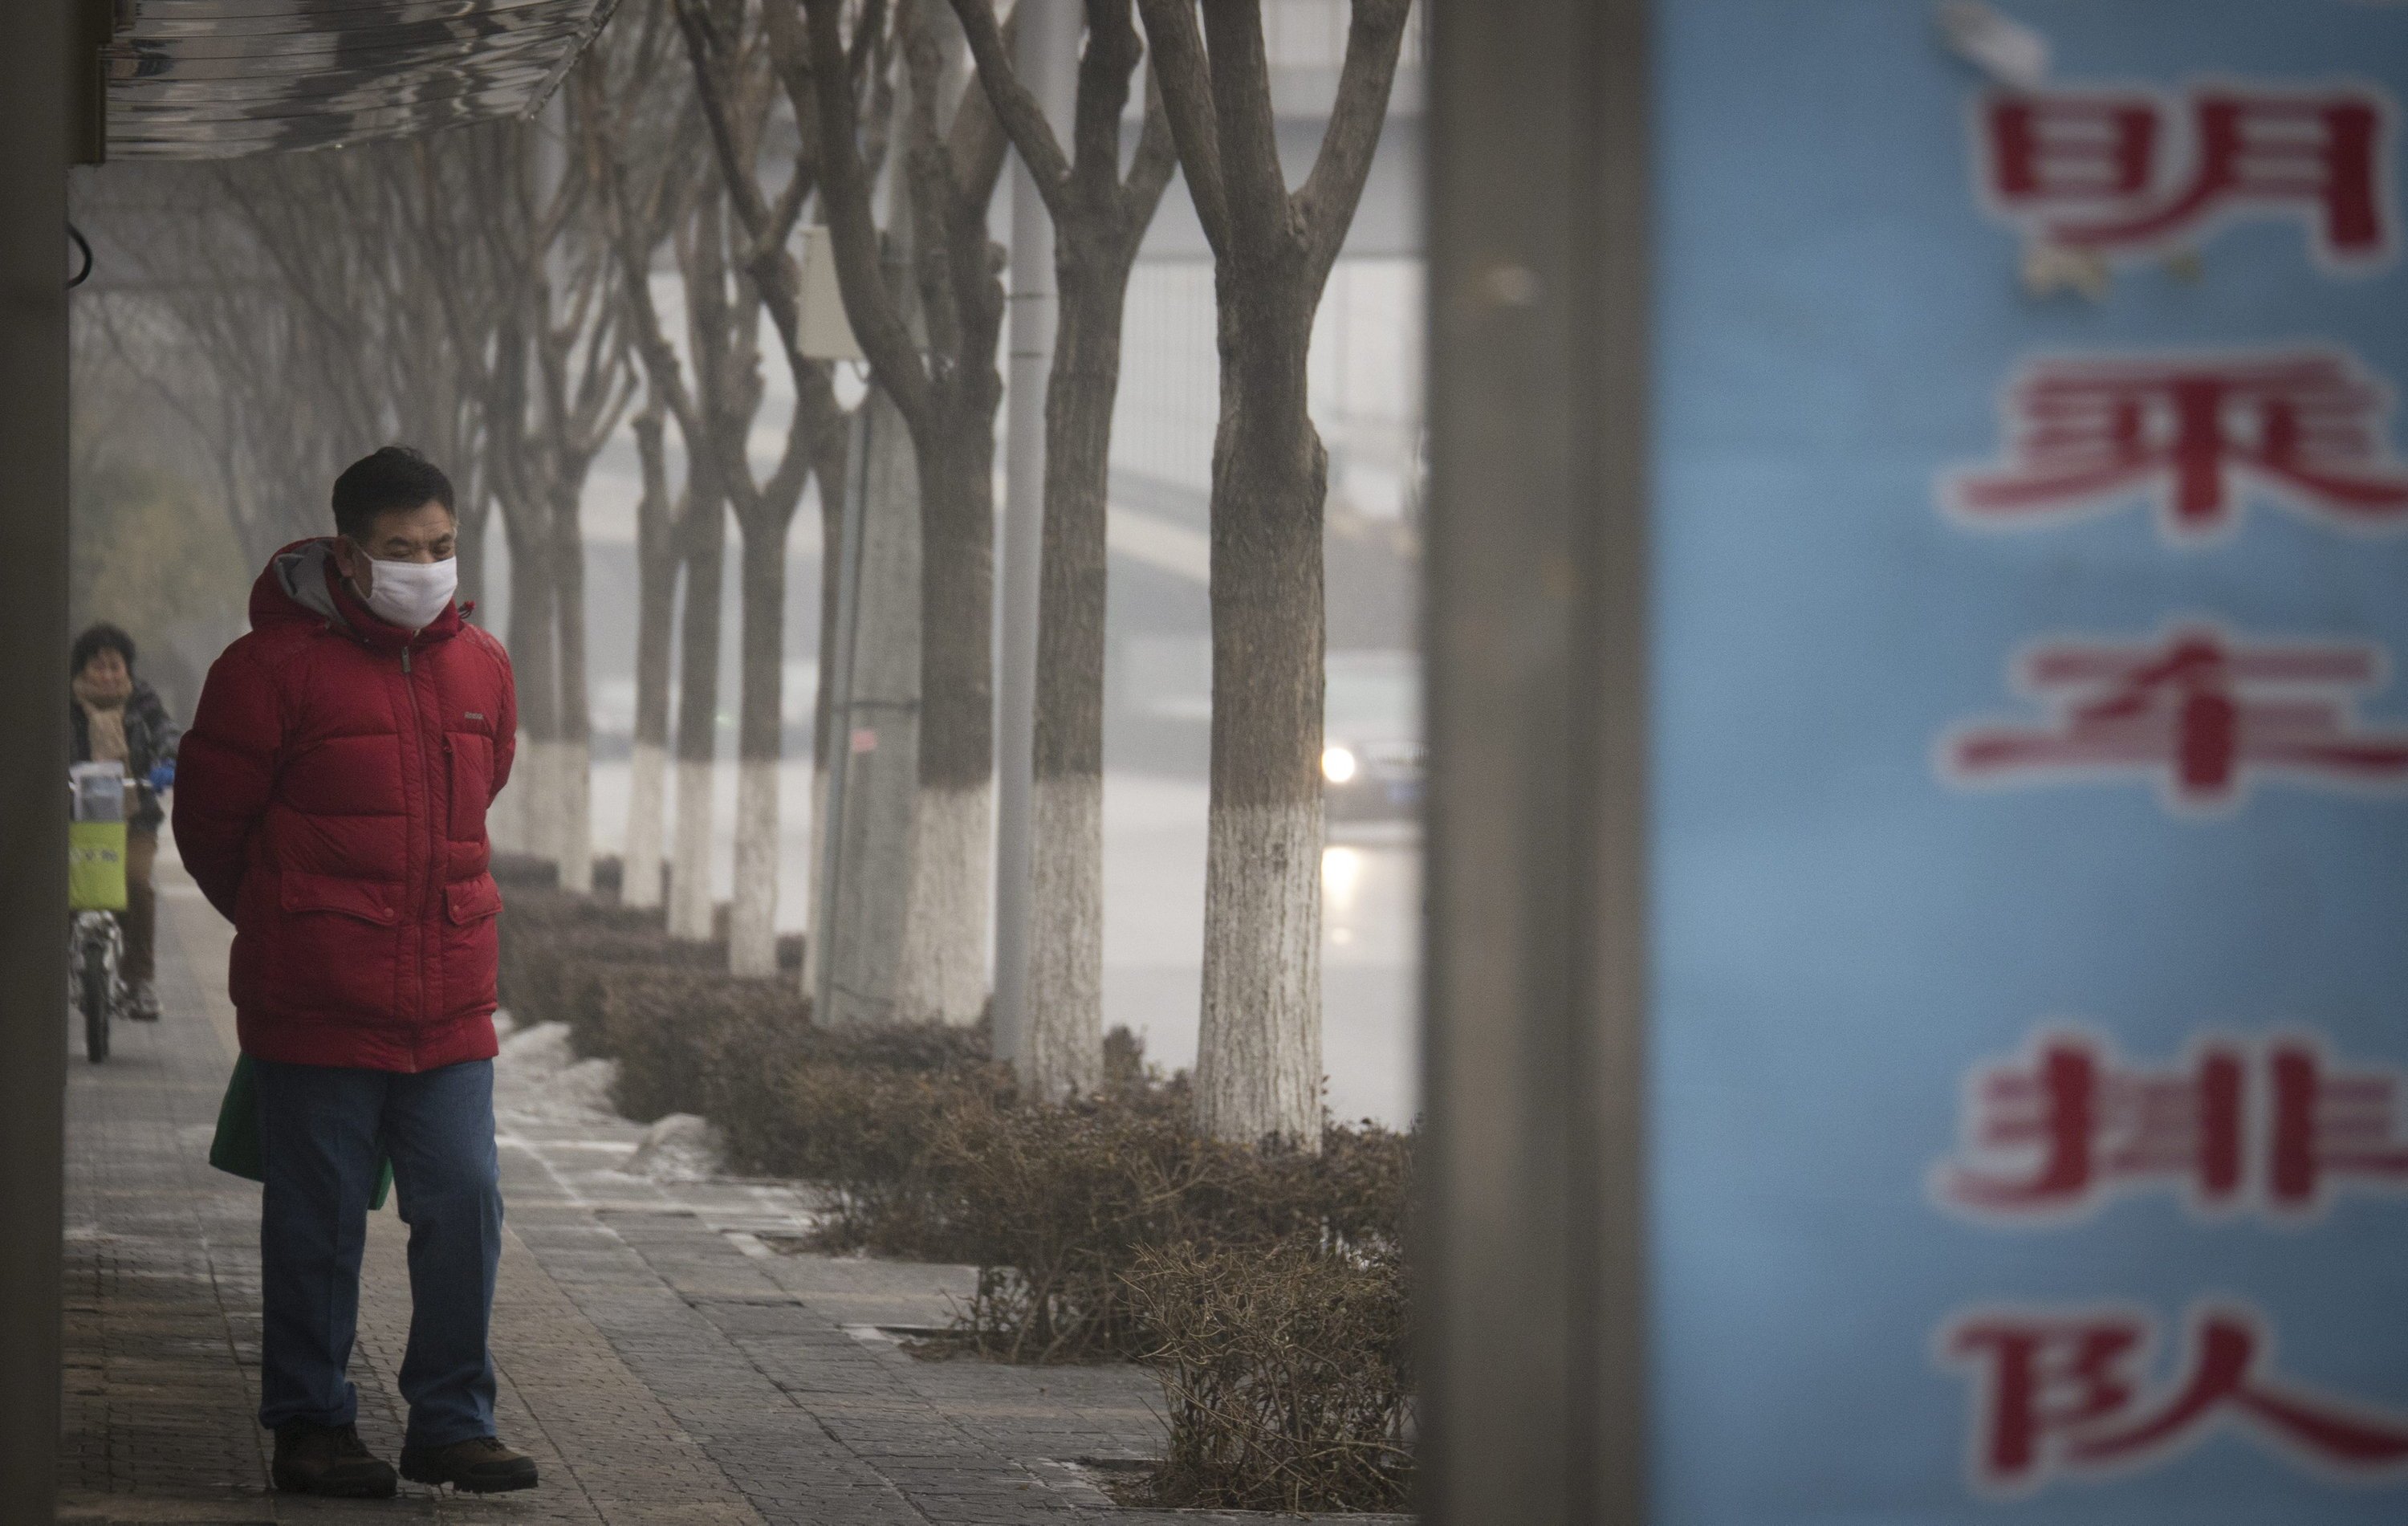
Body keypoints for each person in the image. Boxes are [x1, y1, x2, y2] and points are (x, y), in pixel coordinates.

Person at [174, 446, 535, 1500]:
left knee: (466, 1201)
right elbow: (212, 829)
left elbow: (484, 791)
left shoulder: (484, 667)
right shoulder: (266, 671)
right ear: (347, 550)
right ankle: (312, 1423)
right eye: (399, 550)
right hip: (318, 1003)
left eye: (441, 547)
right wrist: (295, 922)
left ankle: (453, 1422)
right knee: (316, 1220)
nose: (424, 568)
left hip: (450, 1002)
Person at [69, 623, 180, 1020]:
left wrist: (167, 759)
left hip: (135, 818)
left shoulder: (142, 700)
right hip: (75, 820)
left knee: (136, 884)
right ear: (82, 669)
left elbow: (166, 730)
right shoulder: (64, 702)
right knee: (61, 892)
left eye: (116, 666)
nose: (109, 674)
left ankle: (139, 981)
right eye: (99, 666)